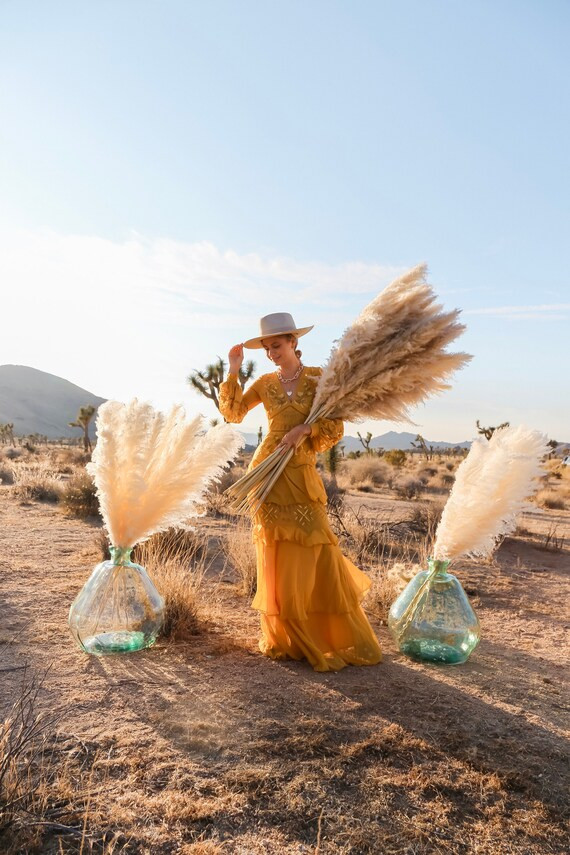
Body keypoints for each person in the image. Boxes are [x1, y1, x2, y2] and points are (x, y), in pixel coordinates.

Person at [218, 312, 382, 672]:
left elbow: (335, 426)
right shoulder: (263, 382)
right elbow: (232, 414)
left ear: (293, 341)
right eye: (266, 347)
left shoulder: (318, 379)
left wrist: (305, 430)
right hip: (267, 472)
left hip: (300, 470)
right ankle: (285, 638)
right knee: (274, 552)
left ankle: (325, 635)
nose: (272, 352)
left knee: (316, 546)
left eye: (277, 345)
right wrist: (233, 369)